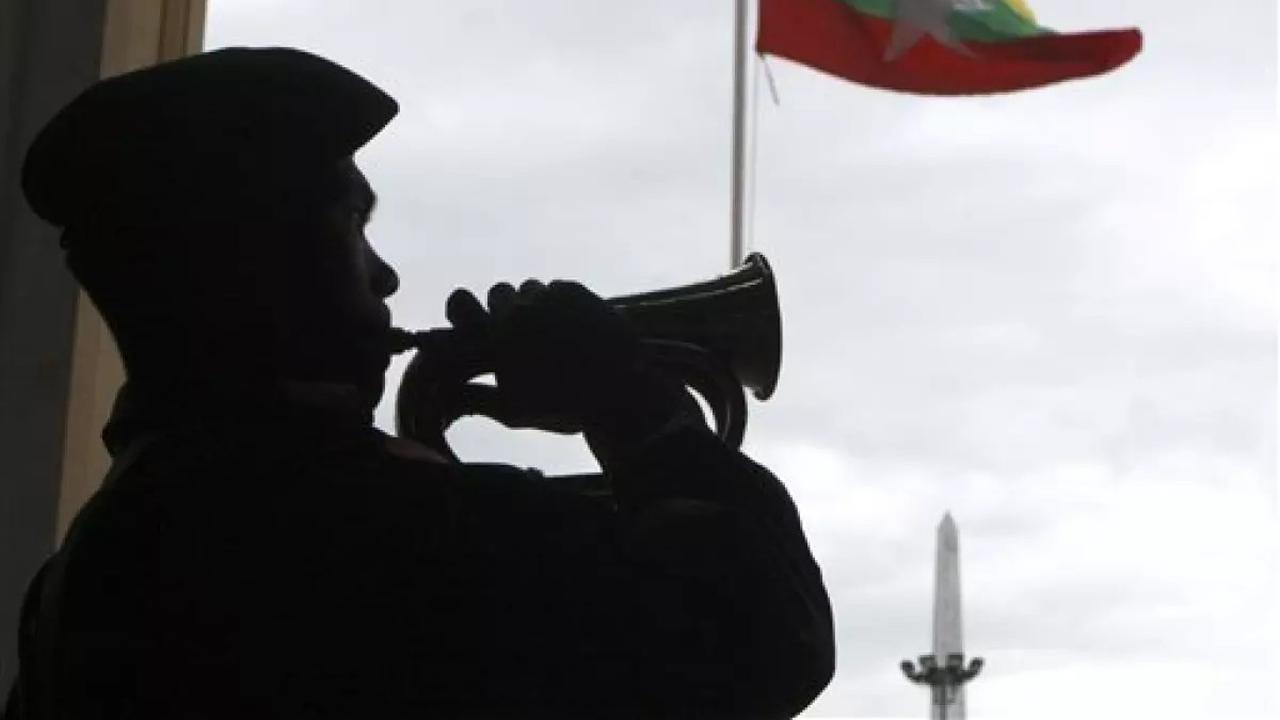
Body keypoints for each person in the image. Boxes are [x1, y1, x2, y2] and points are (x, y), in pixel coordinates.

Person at [5, 47, 834, 718]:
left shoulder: (90, 569)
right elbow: (764, 635)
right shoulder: (341, 521)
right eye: (351, 227)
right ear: (255, 261)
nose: (388, 275)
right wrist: (632, 404)